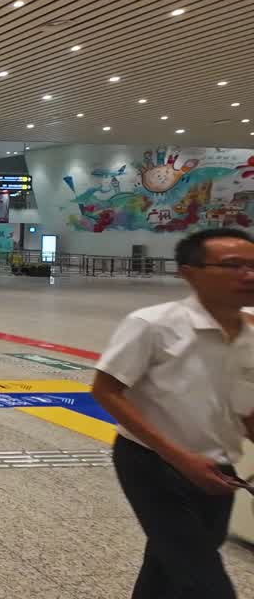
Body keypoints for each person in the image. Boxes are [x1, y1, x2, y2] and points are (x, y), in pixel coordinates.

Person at [92, 228, 254, 598]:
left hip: (219, 468)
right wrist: (179, 458)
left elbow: (243, 408)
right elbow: (105, 390)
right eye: (233, 266)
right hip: (152, 464)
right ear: (190, 272)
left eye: (253, 265)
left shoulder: (249, 335)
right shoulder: (153, 325)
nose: (248, 274)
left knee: (169, 564)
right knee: (204, 581)